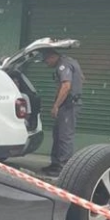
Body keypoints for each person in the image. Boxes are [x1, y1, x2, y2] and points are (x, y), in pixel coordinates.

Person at [41, 48, 83, 176]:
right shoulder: (71, 62)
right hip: (67, 104)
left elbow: (66, 86)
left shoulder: (63, 65)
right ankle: (55, 164)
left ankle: (63, 169)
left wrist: (56, 106)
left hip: (68, 105)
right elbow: (82, 77)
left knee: (65, 137)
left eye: (46, 60)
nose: (46, 63)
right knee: (58, 135)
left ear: (52, 57)